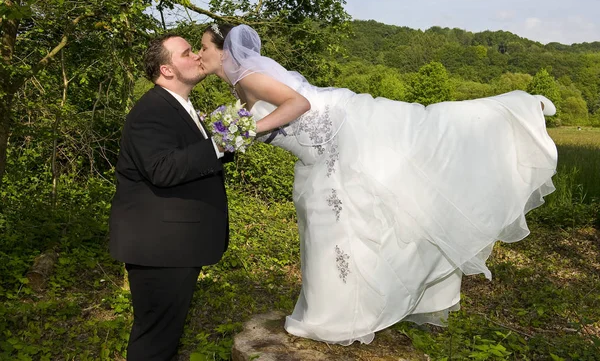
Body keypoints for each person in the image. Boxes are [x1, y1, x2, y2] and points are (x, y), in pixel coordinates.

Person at [200, 23, 558, 345]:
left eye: (203, 48)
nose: (200, 54)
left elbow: (298, 103)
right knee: (341, 226)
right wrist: (231, 130)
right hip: (320, 155)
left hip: (343, 133)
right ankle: (342, 311)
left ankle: (513, 114)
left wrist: (249, 128)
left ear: (223, 51)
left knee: (427, 133)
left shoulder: (248, 76)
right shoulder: (242, 83)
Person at [109, 33, 232, 360]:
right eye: (187, 53)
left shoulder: (181, 106)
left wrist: (237, 128)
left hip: (173, 246)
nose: (196, 56)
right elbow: (163, 169)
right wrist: (227, 139)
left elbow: (193, 153)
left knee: (165, 338)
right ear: (166, 70)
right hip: (159, 249)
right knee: (155, 341)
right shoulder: (151, 110)